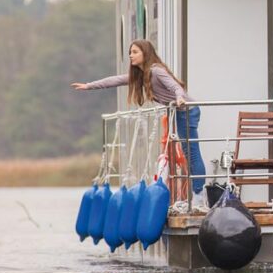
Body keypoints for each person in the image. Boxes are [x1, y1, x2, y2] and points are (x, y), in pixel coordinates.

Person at [71, 39, 208, 207]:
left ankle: (199, 196)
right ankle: (197, 195)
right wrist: (88, 86)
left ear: (145, 53)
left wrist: (179, 97)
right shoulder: (142, 75)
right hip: (180, 112)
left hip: (187, 110)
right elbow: (116, 80)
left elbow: (176, 87)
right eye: (130, 52)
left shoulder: (156, 70)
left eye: (135, 52)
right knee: (188, 153)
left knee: (192, 153)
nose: (131, 55)